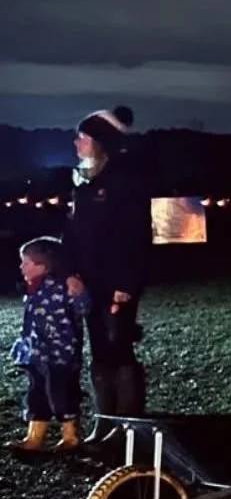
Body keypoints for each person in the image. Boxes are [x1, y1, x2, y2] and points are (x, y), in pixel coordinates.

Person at [64, 105, 152, 430]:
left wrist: (126, 283)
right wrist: (70, 272)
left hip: (116, 283)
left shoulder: (124, 182)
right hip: (88, 282)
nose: (76, 143)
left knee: (119, 349)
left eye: (83, 137)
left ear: (100, 142)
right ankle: (106, 422)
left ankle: (130, 423)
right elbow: (71, 232)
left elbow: (136, 237)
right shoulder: (83, 181)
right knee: (100, 351)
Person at [7, 237, 91, 452]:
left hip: (60, 355)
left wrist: (79, 293)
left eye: (26, 262)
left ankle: (70, 436)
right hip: (36, 354)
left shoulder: (64, 286)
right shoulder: (33, 288)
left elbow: (83, 309)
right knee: (36, 394)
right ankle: (35, 437)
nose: (21, 267)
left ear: (43, 266)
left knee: (62, 394)